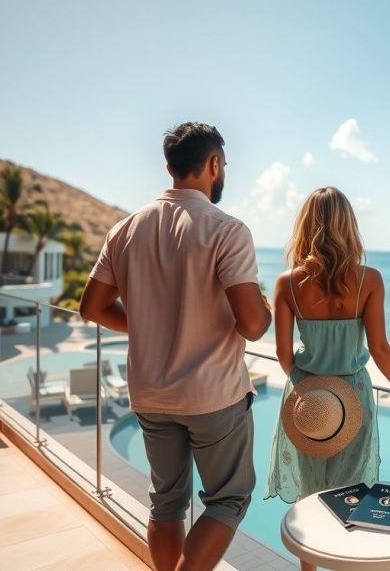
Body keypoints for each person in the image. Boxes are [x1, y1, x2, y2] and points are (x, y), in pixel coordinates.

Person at [80, 122, 272, 571]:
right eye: (223, 164)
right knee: (228, 498)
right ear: (214, 164)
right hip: (213, 396)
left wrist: (149, 327)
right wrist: (266, 305)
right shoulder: (227, 230)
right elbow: (252, 325)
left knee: (166, 502)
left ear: (169, 167)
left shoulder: (125, 229)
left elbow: (91, 307)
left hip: (150, 393)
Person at [264, 186, 390, 571]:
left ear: (304, 226)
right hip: (354, 396)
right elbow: (380, 349)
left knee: (310, 496)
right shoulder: (369, 280)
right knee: (352, 494)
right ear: (349, 226)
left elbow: (281, 353)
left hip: (307, 397)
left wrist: (307, 386)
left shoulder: (286, 283)